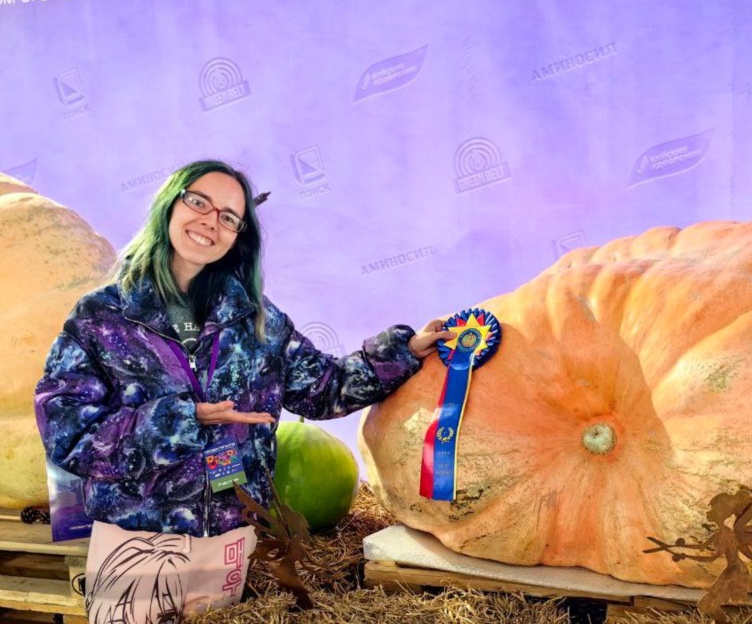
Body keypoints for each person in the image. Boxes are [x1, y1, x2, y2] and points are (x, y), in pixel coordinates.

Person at [34, 160, 451, 623]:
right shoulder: (103, 316)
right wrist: (183, 419)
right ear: (170, 204)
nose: (210, 221)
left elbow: (324, 389)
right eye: (199, 202)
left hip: (231, 536)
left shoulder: (257, 319)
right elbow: (66, 431)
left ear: (238, 236)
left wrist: (404, 351)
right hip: (137, 537)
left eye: (229, 217)